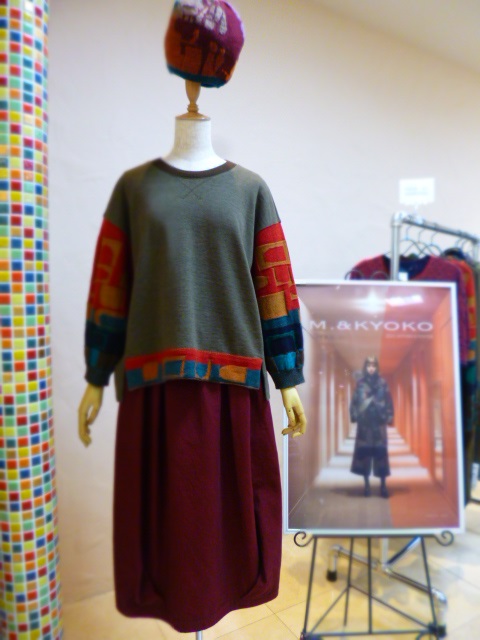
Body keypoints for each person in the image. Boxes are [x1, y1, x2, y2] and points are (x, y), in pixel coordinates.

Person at [349, 356, 393, 498]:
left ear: (376, 367)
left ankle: (383, 486)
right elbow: (355, 402)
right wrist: (354, 415)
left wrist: (389, 416)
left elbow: (388, 400)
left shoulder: (382, 383)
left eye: (373, 366)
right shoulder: (360, 384)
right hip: (365, 424)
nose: (371, 368)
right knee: (365, 455)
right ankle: (367, 486)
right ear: (365, 367)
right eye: (369, 366)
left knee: (381, 455)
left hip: (378, 423)